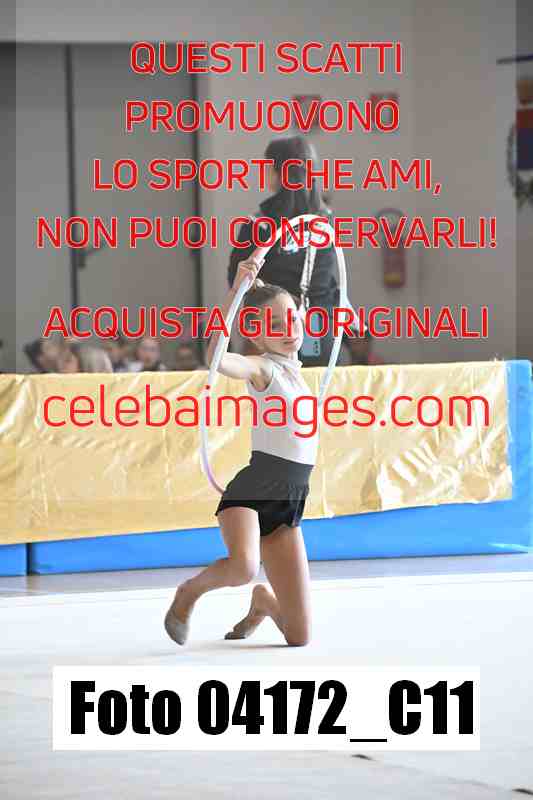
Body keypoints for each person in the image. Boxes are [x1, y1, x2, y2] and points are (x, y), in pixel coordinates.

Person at [164, 257, 317, 647]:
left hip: (289, 501)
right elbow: (216, 359)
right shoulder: (263, 368)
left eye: (292, 320)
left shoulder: (297, 374)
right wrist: (235, 293)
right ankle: (188, 593)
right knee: (244, 567)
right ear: (258, 337)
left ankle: (263, 602)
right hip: (253, 491)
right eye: (274, 325)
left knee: (299, 637)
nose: (287, 330)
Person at [227, 135, 340, 367]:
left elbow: (237, 278)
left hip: (274, 331)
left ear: (278, 171)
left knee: (271, 385)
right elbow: (326, 278)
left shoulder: (260, 223)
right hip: (318, 328)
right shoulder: (325, 220)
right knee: (316, 385)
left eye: (266, 166)